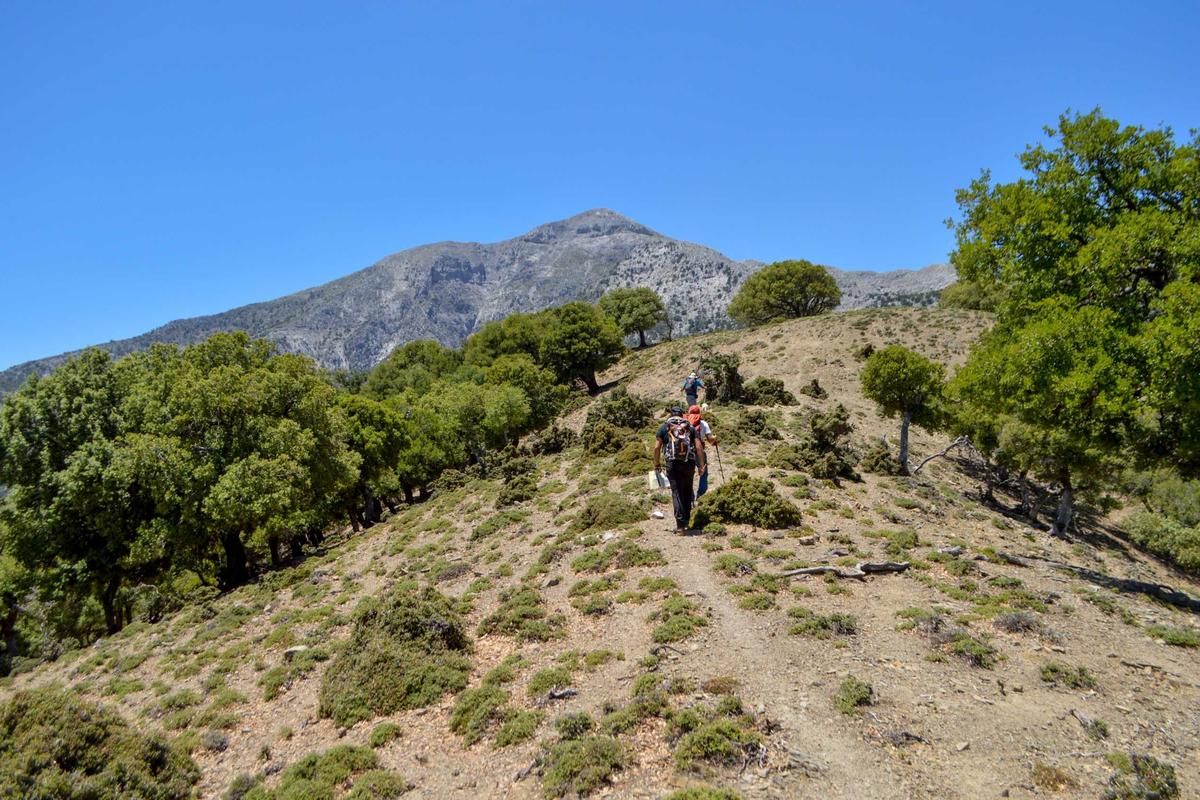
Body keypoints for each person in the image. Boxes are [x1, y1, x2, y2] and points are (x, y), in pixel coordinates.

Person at [654, 405, 706, 535]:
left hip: (672, 463)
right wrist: (701, 465)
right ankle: (687, 521)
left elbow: (656, 448)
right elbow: (699, 447)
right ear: (682, 415)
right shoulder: (690, 427)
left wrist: (657, 463)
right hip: (689, 462)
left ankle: (680, 526)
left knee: (676, 492)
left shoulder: (664, 427)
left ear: (671, 415)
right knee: (688, 489)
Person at [686, 404, 718, 497]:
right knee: (703, 471)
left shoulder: (684, 423)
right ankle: (701, 494)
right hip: (699, 452)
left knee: (688, 474)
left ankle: (689, 495)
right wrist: (715, 438)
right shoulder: (703, 423)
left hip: (686, 452)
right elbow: (710, 439)